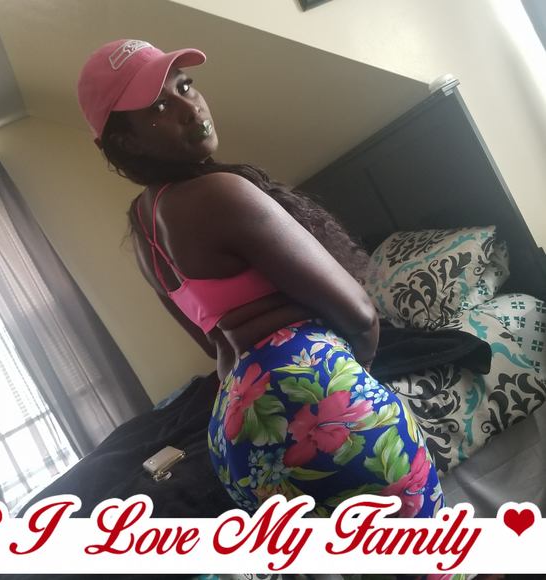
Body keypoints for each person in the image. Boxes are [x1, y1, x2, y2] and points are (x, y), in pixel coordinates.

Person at [77, 39, 443, 517]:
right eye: (160, 106)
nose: (190, 107)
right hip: (311, 402)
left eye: (185, 86)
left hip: (234, 442)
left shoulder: (144, 226)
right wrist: (355, 382)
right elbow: (358, 312)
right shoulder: (217, 193)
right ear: (126, 142)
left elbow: (212, 344)